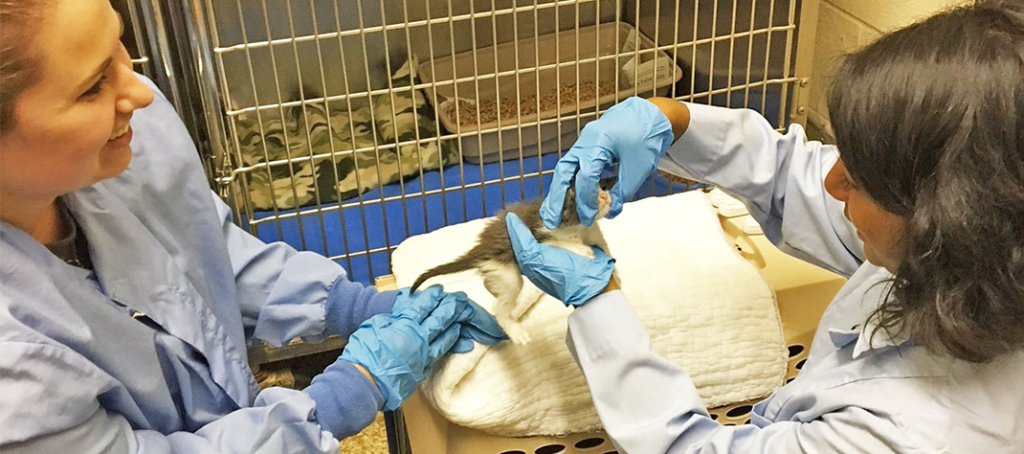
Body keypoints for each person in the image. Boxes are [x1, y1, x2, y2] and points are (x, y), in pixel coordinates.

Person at [506, 1, 1024, 452]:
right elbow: (791, 175)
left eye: (861, 178)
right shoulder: (982, 250)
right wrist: (673, 120)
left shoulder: (915, 435)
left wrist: (598, 305)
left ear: (948, 219)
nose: (833, 182)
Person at [0, 0, 504, 453]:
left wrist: (355, 306)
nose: (138, 90)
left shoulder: (125, 135)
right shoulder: (12, 373)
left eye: (121, 44)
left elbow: (204, 253)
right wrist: (343, 395)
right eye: (92, 86)